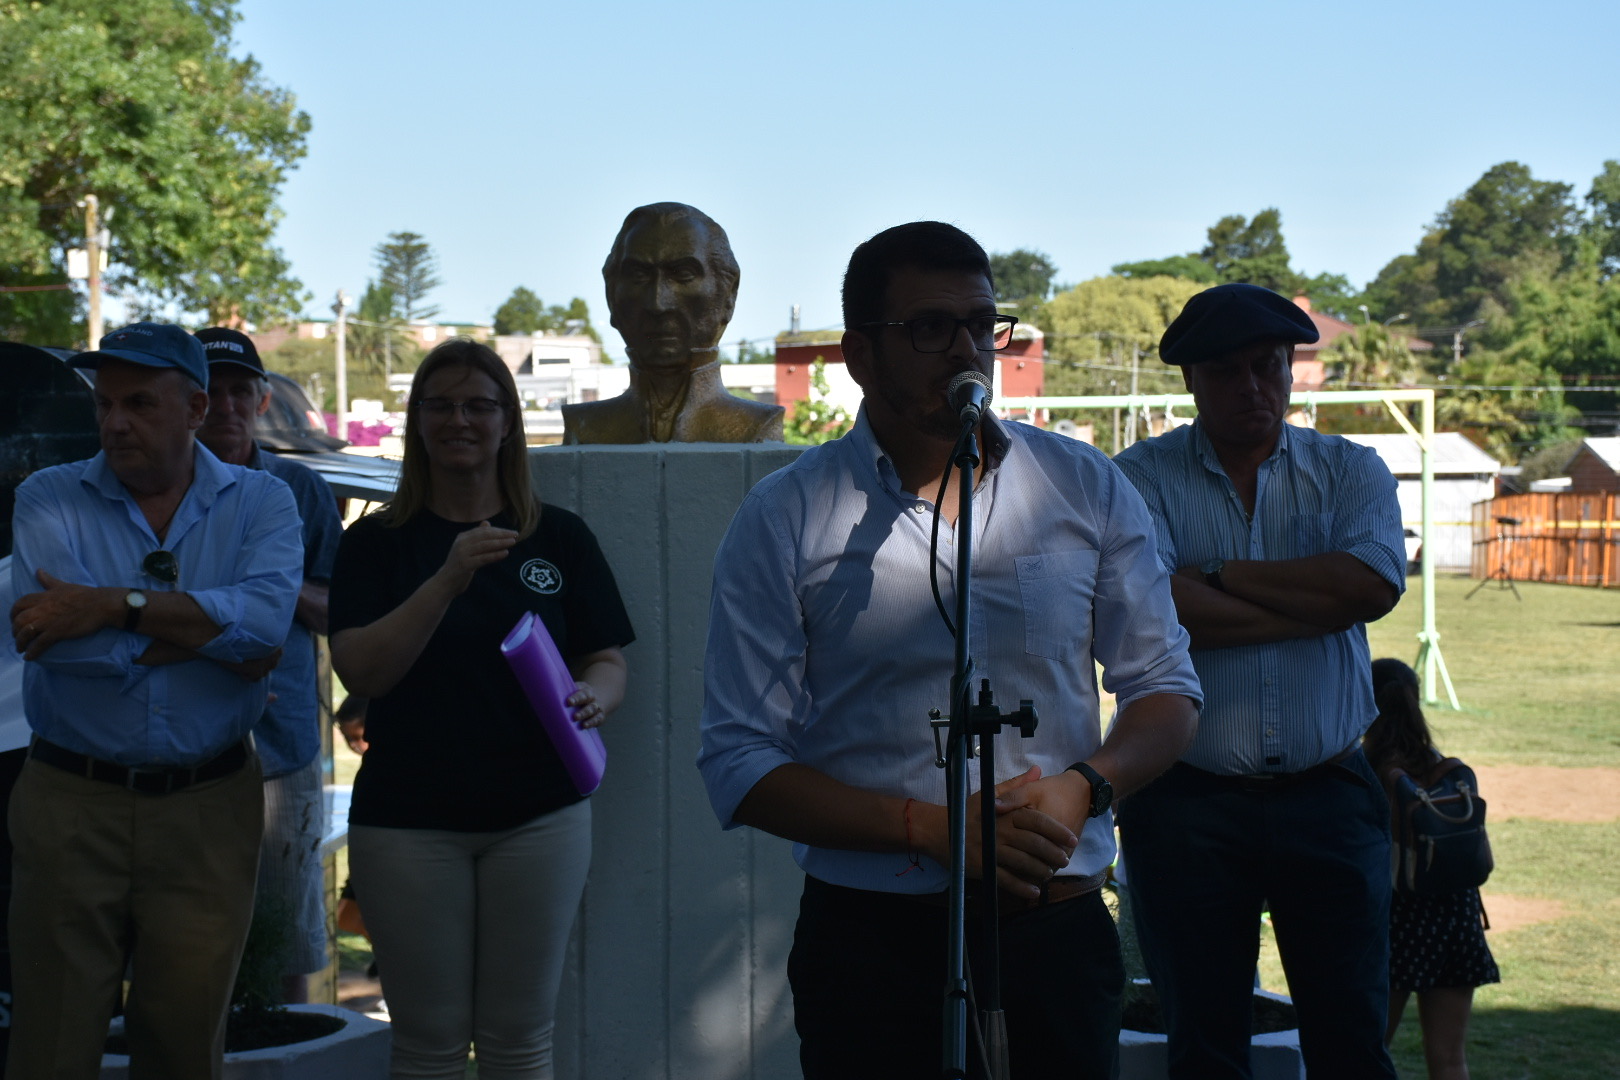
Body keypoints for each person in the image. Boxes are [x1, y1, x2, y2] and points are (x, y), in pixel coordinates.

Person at [698, 221, 1202, 1079]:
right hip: (872, 936)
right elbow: (740, 761)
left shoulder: (1082, 486)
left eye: (983, 325)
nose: (968, 350)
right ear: (860, 354)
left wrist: (1082, 791)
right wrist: (926, 829)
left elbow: (1165, 690)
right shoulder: (787, 514)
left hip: (1054, 916)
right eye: (932, 328)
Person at [1113, 282, 1406, 1080]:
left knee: (1352, 1038)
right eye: (1230, 371)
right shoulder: (1136, 479)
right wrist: (1313, 607)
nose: (1254, 387)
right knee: (1203, 1047)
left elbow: (1372, 587)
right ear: (1191, 381)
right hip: (1186, 802)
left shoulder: (1350, 470)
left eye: (1269, 366)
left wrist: (1216, 574)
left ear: (1290, 369)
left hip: (1330, 796)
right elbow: (1153, 609)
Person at [329, 338, 634, 1079]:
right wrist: (447, 579)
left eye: (477, 405)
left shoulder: (558, 536)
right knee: (428, 1045)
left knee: (520, 1041)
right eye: (440, 405)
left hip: (540, 817)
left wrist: (598, 694)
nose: (458, 420)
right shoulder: (378, 543)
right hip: (408, 824)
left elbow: (608, 655)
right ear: (417, 421)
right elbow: (361, 666)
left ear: (507, 423)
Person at [6, 322, 302, 1080]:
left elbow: (266, 627)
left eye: (137, 402)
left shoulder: (263, 501)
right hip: (72, 796)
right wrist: (212, 635)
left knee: (183, 1042)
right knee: (52, 1041)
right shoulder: (48, 496)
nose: (113, 422)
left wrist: (113, 605)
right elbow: (56, 644)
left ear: (197, 406)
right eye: (105, 403)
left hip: (207, 804)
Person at [195, 326, 344, 1004]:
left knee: (286, 943)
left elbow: (340, 610)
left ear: (260, 400)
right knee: (188, 946)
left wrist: (261, 591)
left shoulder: (301, 488)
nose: (225, 406)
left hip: (281, 755)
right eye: (210, 392)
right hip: (182, 754)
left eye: (238, 392)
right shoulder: (158, 490)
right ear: (189, 403)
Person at [1363, 658, 1498, 1080]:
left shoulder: (1364, 770)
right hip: (1456, 914)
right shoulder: (1441, 766)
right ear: (1415, 700)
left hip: (1395, 919)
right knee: (1450, 1060)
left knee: (1366, 1053)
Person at [563, 202, 784, 443]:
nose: (658, 304)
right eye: (638, 277)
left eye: (683, 276)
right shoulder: (584, 427)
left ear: (728, 294)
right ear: (611, 295)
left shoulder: (756, 426)